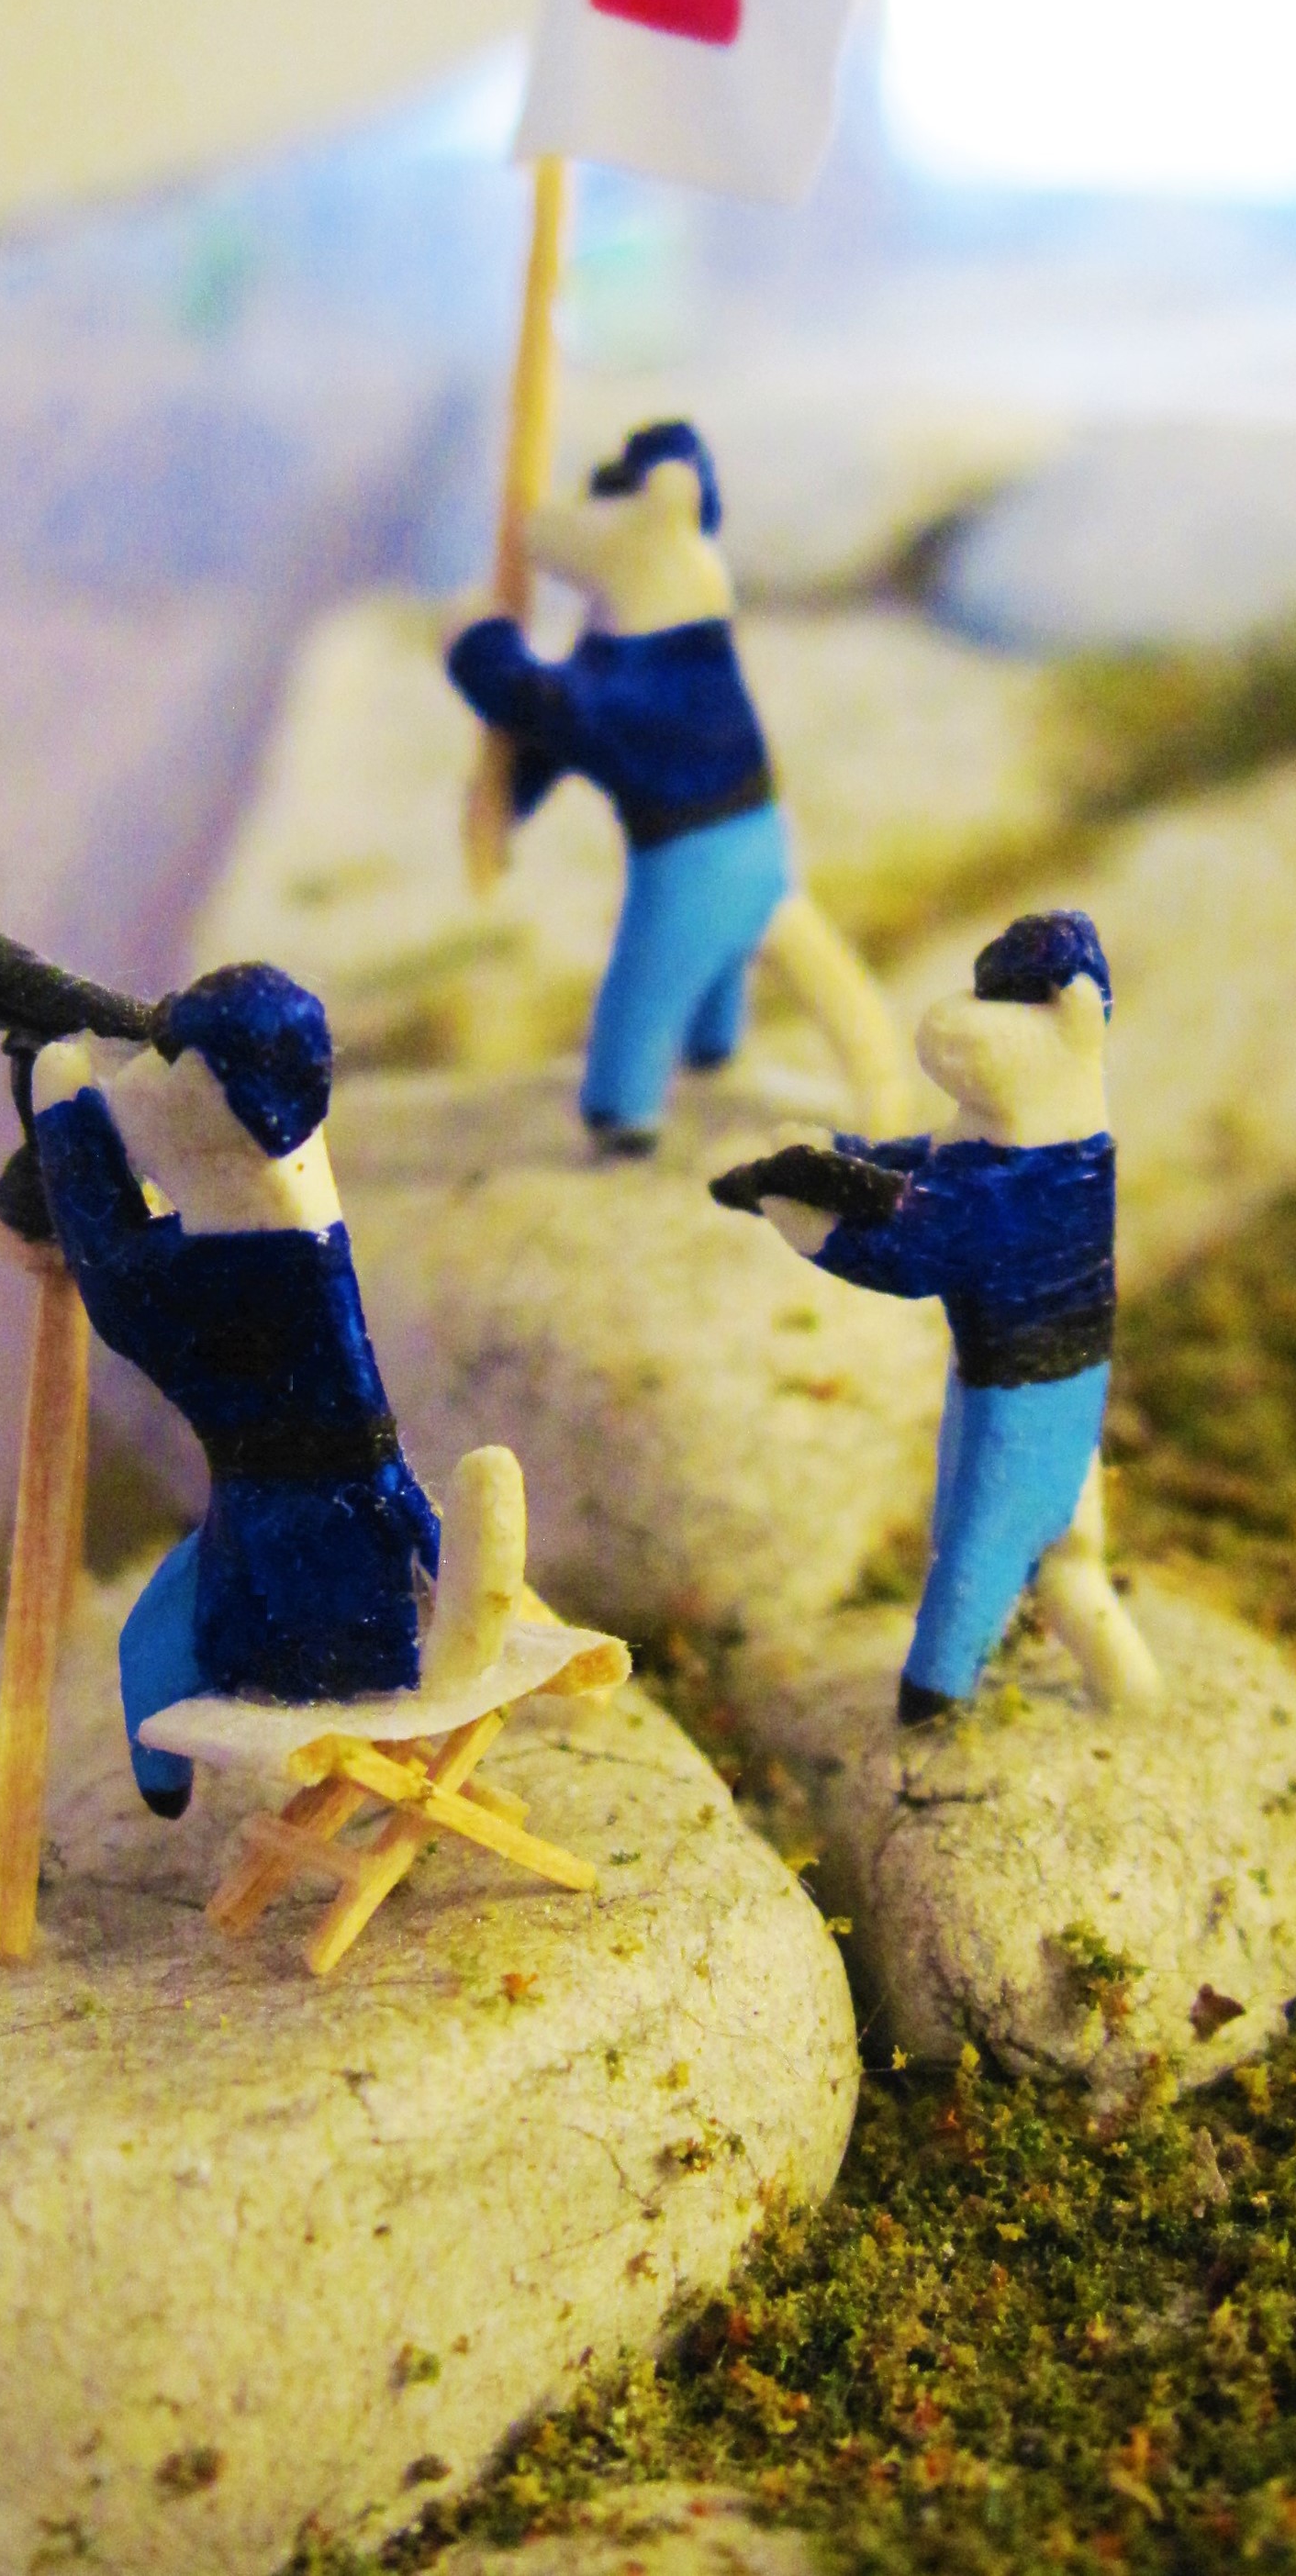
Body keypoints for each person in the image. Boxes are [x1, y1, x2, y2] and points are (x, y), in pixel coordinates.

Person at [715, 909, 1159, 1722]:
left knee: (978, 1554)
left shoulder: (1028, 1176)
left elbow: (912, 1248)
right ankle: (1131, 1691)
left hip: (1026, 1401)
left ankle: (934, 1703)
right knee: (1053, 1559)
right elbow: (928, 1165)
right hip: (1021, 1386)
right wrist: (838, 1154)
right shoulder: (1036, 1140)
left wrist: (806, 1221)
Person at [29, 961, 441, 1813]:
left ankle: (165, 1784)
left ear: (213, 1102)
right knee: (153, 1639)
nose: (143, 1083)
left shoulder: (235, 1270)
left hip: (287, 1550)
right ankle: (168, 1779)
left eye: (167, 1067)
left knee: (155, 1648)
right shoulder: (303, 1212)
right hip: (351, 1513)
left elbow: (111, 1272)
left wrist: (63, 1110)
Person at [447, 418, 907, 1149]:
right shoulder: (663, 635)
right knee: (798, 963)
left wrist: (481, 646)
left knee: (645, 990)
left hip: (690, 863)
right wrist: (511, 802)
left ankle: (623, 1108)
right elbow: (563, 733)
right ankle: (743, 1048)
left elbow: (551, 712)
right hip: (759, 839)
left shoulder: (641, 662)